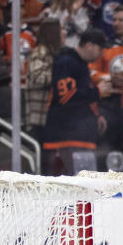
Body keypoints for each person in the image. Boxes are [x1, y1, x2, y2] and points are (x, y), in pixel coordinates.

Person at [41, 27, 106, 175]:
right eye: (100, 49)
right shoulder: (67, 62)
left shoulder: (80, 64)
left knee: (85, 187)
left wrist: (96, 114)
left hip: (79, 136)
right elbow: (65, 97)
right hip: (66, 137)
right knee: (80, 187)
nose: (101, 54)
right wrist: (98, 91)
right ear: (89, 45)